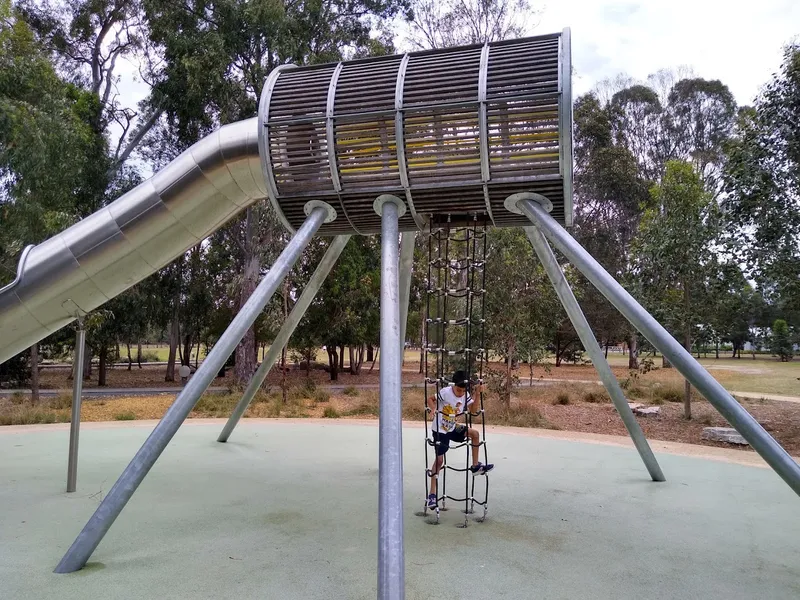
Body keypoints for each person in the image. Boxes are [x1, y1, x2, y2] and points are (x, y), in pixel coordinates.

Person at [426, 370, 494, 509]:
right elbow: (430, 399)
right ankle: (432, 495)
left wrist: (477, 393)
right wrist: (433, 410)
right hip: (440, 430)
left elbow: (474, 411)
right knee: (439, 461)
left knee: (475, 434)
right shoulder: (446, 392)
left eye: (463, 391)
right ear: (453, 386)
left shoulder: (465, 395)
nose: (460, 393)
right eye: (458, 390)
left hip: (453, 427)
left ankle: (475, 466)